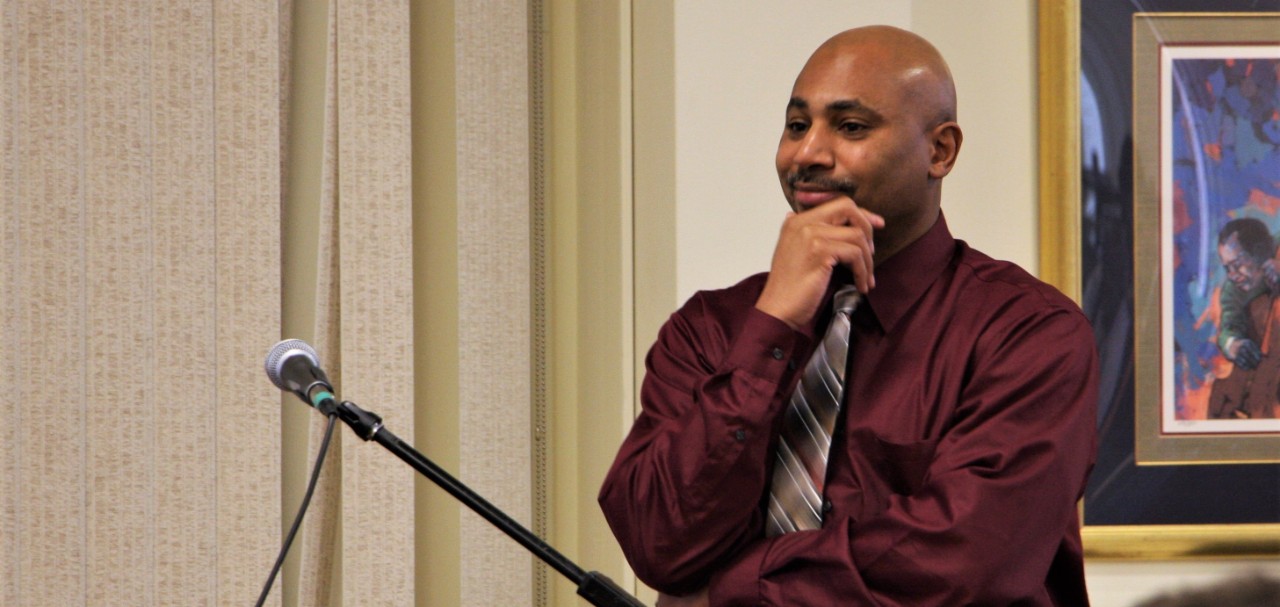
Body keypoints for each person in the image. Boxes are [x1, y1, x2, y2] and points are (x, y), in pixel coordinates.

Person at [598, 25, 1099, 606]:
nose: (808, 153)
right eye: (796, 125)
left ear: (941, 150)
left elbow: (965, 559)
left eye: (851, 126)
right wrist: (775, 327)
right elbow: (658, 540)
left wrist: (732, 592)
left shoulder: (1027, 333)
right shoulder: (713, 328)